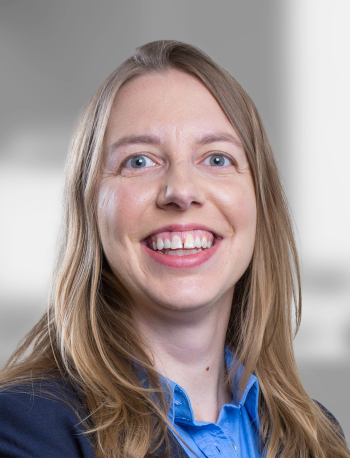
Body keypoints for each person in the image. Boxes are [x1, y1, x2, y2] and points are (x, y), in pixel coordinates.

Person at [0, 40, 348, 458]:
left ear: (260, 202)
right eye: (139, 161)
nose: (181, 191)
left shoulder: (317, 435)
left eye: (217, 159)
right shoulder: (25, 429)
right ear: (89, 207)